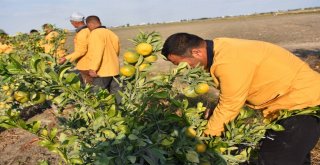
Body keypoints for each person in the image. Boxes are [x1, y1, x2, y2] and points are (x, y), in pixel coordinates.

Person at [161, 33, 320, 165]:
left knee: (274, 159)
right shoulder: (220, 49)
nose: (181, 69)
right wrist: (217, 110)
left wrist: (204, 139)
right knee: (293, 158)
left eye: (181, 64)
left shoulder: (229, 60)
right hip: (291, 105)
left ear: (196, 52)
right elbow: (234, 92)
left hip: (302, 104)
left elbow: (230, 104)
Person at [79, 15, 121, 103]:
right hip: (114, 69)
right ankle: (120, 112)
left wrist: (93, 68)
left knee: (98, 96)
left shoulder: (95, 33)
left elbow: (97, 52)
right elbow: (116, 50)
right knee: (116, 94)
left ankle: (103, 114)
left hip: (102, 72)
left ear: (90, 24)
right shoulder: (110, 32)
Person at [59, 12, 91, 83]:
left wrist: (65, 59)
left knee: (89, 86)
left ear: (76, 22)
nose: (71, 23)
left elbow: (81, 51)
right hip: (89, 62)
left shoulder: (82, 33)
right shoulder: (87, 30)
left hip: (86, 64)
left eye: (71, 21)